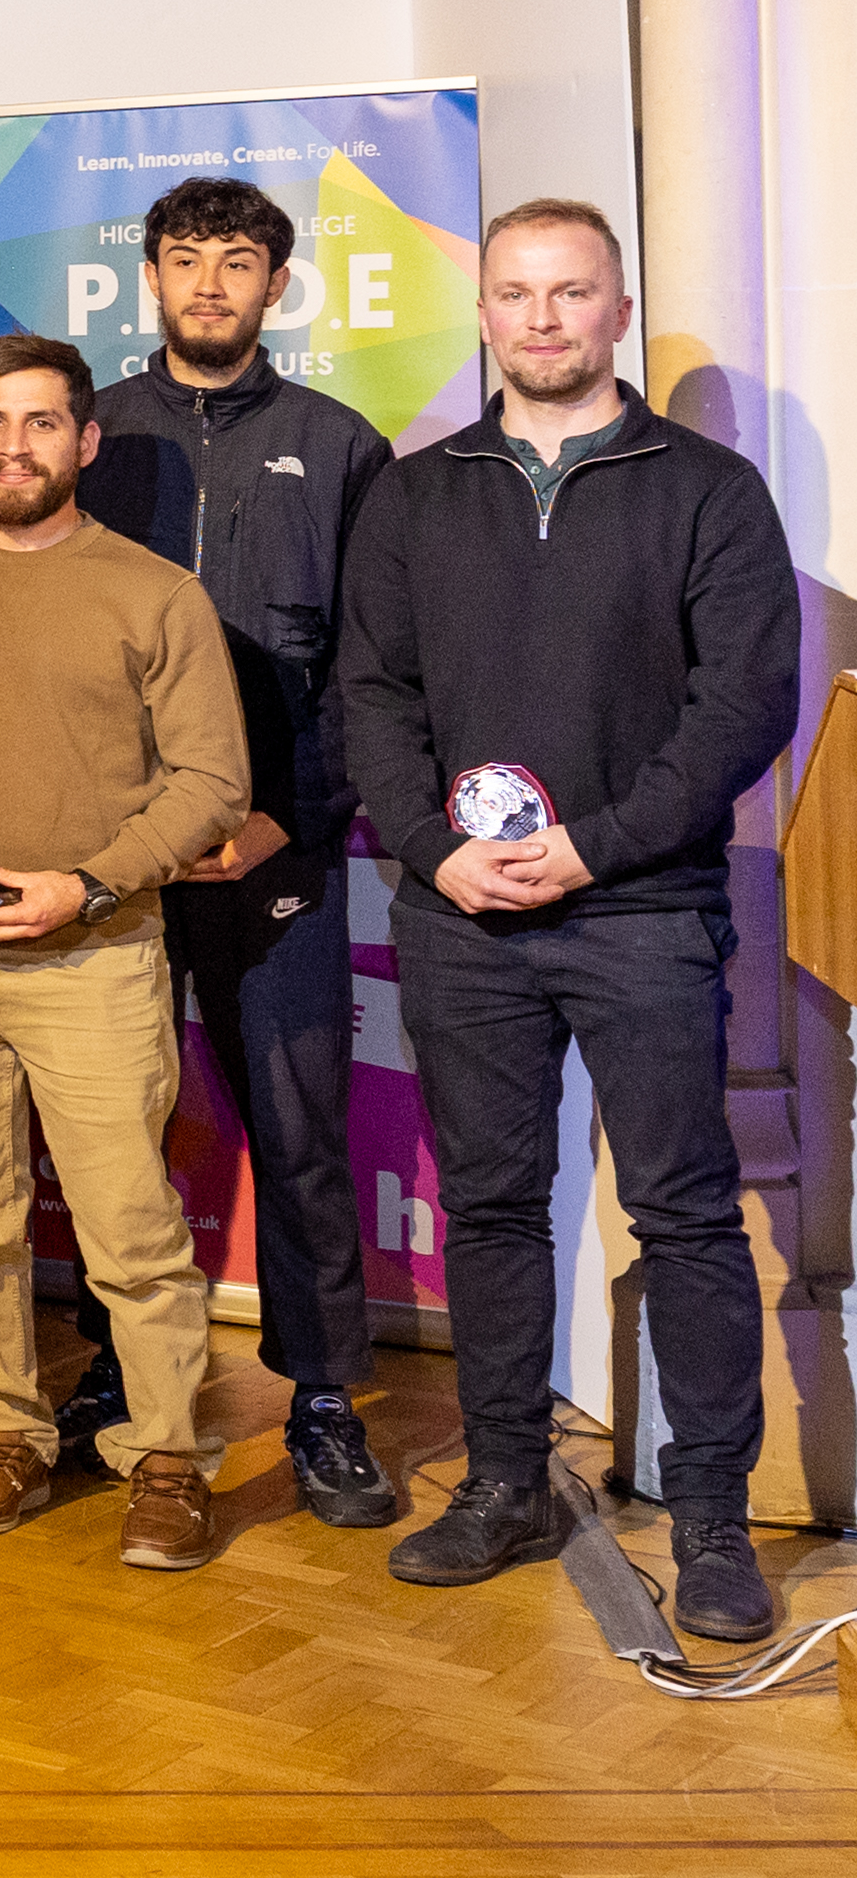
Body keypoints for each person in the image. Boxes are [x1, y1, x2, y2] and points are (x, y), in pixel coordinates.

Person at [344, 200, 797, 1641]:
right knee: (483, 1204)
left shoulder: (706, 490)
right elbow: (369, 695)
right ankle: (501, 1481)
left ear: (615, 309)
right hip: (458, 915)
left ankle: (710, 1516)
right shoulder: (412, 498)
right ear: (479, 312)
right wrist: (431, 850)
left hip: (643, 910)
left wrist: (589, 850)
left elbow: (742, 705)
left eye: (569, 293)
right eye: (513, 293)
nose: (540, 319)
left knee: (678, 1210)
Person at [0, 334, 248, 1572]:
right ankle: (2, 1433)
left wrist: (84, 885)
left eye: (38, 424)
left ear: (83, 442)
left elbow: (212, 784)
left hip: (96, 960)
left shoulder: (152, 594)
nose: (11, 447)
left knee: (130, 1230)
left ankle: (167, 1456)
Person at [60, 175, 402, 1527]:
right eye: (185, 260)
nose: (209, 284)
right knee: (106, 1134)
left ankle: (319, 1396)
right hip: (113, 864)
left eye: (237, 262)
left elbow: (371, 673)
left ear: (274, 284)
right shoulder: (90, 431)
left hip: (277, 853)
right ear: (146, 274)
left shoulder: (336, 444)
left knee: (298, 1130)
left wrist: (278, 818)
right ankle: (113, 1369)